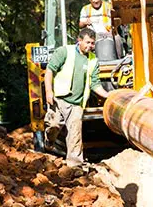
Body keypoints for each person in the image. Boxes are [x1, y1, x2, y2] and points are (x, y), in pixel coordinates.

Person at [44, 28, 110, 167]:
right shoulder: (64, 52)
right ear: (79, 40)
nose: (90, 46)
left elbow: (95, 84)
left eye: (93, 43)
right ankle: (49, 140)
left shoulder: (93, 60)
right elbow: (50, 70)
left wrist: (108, 95)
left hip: (77, 104)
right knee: (54, 126)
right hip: (59, 100)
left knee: (75, 135)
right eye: (88, 42)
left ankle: (74, 167)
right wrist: (49, 91)